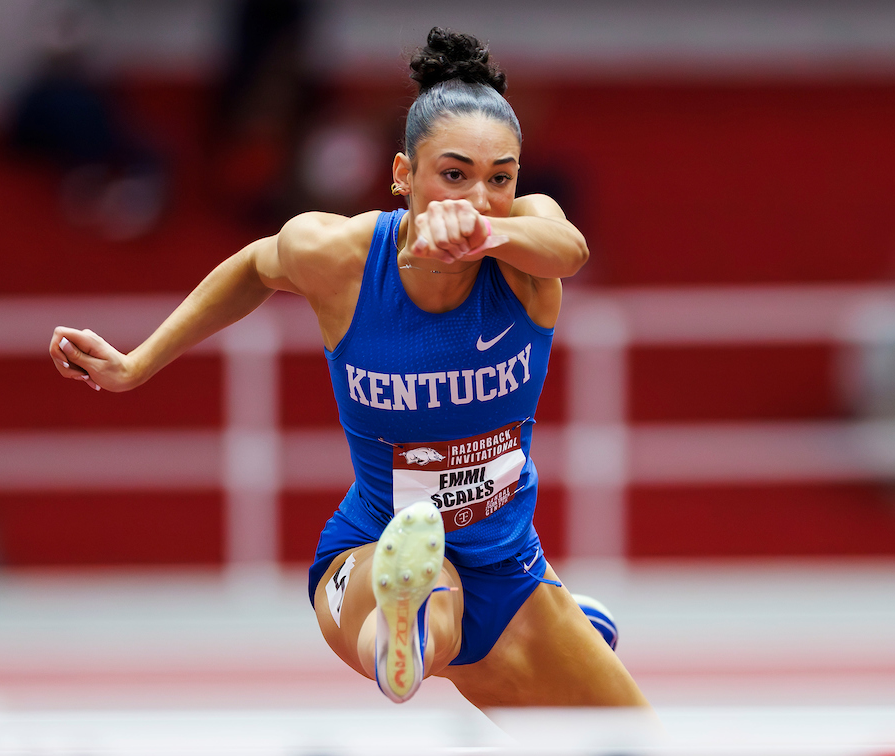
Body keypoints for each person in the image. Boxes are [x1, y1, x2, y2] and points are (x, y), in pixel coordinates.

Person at [48, 28, 649, 709]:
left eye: (500, 178)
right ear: (402, 175)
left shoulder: (527, 256)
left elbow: (569, 246)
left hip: (508, 570)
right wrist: (136, 363)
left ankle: (545, 627)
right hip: (369, 556)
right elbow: (252, 266)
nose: (477, 196)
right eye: (454, 175)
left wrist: (484, 233)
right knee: (435, 599)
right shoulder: (340, 257)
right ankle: (408, 634)